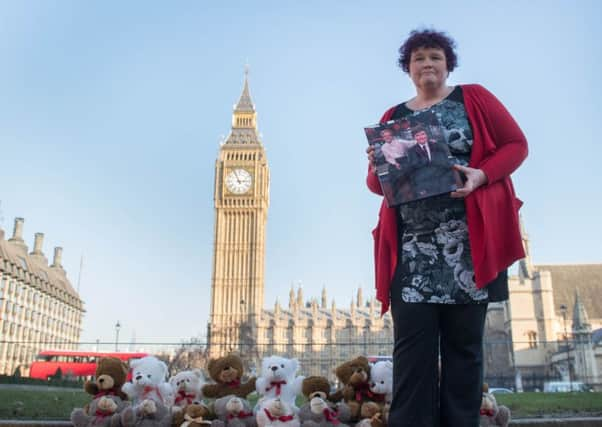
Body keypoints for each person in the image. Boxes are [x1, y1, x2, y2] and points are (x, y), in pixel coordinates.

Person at [365, 29, 527, 427]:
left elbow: (516, 145)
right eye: (419, 58)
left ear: (447, 64)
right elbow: (376, 187)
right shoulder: (394, 117)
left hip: (468, 247)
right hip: (413, 250)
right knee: (412, 354)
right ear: (409, 68)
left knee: (464, 352)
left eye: (435, 57)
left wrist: (482, 174)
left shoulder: (473, 98)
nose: (427, 64)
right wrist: (376, 163)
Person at [404, 124, 456, 198]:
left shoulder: (438, 146)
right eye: (417, 135)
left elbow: (447, 165)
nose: (421, 137)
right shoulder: (411, 152)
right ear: (414, 137)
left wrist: (448, 183)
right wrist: (419, 189)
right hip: (425, 188)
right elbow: (412, 173)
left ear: (426, 134)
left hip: (444, 185)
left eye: (423, 134)